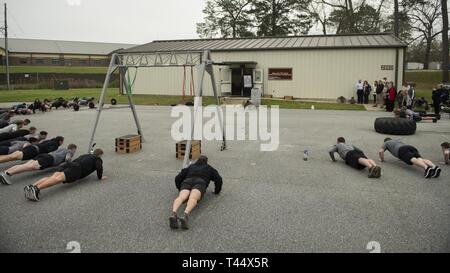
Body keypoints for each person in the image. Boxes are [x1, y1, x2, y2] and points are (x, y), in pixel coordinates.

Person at [23, 148, 107, 201]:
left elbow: (75, 160)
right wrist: (100, 177)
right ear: (100, 155)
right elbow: (99, 168)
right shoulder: (98, 159)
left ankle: (31, 186)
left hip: (69, 165)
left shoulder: (86, 155)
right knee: (57, 180)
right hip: (77, 169)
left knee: (53, 177)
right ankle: (37, 188)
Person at [170, 155, 223, 229]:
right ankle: (185, 215)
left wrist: (180, 188)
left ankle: (174, 213)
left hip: (187, 181)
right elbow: (219, 179)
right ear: (206, 161)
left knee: (181, 197)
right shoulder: (209, 168)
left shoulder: (191, 167)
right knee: (193, 198)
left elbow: (178, 177)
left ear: (197, 160)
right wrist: (217, 191)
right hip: (200, 182)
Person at [0, 144, 77, 185]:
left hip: (44, 155)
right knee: (27, 167)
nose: (74, 152)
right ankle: (7, 174)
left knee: (25, 165)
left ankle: (5, 172)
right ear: (73, 149)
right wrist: (70, 164)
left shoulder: (62, 148)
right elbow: (67, 159)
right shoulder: (69, 152)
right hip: (49, 160)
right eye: (75, 150)